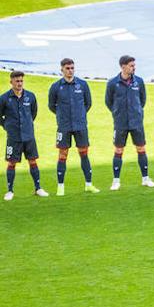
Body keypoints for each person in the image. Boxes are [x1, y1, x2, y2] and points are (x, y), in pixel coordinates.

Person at [47, 58, 99, 195]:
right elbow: (51, 106)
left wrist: (79, 115)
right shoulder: (56, 87)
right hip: (63, 126)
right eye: (67, 68)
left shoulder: (82, 85)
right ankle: (60, 187)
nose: (70, 71)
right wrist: (62, 116)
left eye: (72, 68)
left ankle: (88, 184)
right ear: (62, 70)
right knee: (62, 155)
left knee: (84, 154)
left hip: (80, 126)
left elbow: (88, 104)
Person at [104, 55, 154, 191]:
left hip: (136, 122)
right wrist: (117, 112)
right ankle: (116, 181)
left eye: (134, 65)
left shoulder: (139, 81)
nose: (134, 67)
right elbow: (108, 102)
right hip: (120, 123)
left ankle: (145, 178)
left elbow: (142, 100)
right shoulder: (113, 83)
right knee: (118, 150)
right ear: (123, 66)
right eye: (131, 65)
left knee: (141, 148)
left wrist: (137, 112)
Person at [2, 71, 47, 201]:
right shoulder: (4, 98)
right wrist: (7, 126)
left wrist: (27, 125)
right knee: (11, 163)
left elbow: (33, 113)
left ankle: (38, 188)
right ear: (11, 82)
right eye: (17, 81)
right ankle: (10, 191)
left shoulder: (30, 96)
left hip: (29, 136)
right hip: (14, 137)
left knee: (33, 161)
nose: (19, 83)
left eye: (21, 81)